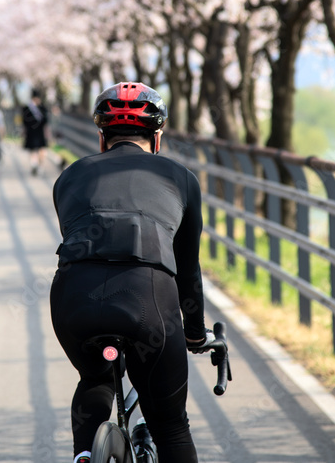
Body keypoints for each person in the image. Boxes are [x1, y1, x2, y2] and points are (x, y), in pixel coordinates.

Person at [50, 82, 212, 463]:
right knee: (171, 426)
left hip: (73, 296)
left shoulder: (70, 175)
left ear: (102, 136)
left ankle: (85, 455)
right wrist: (194, 331)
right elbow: (187, 268)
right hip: (148, 296)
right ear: (157, 136)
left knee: (95, 376)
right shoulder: (182, 178)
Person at [21, 88, 50, 175]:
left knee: (37, 150)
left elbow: (24, 121)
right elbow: (46, 122)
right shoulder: (41, 108)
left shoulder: (27, 108)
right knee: (37, 150)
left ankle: (36, 165)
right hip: (36, 132)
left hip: (35, 132)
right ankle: (35, 165)